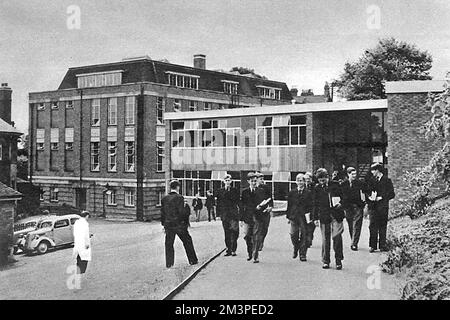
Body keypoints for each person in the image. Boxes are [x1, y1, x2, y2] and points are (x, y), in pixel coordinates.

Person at [312, 168, 345, 270]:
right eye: (320, 180)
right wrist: (315, 218)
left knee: (337, 236)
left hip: (336, 214)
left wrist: (341, 203)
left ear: (327, 177)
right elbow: (314, 204)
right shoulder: (317, 188)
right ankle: (326, 260)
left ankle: (338, 260)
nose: (322, 182)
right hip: (324, 216)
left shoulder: (335, 185)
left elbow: (345, 197)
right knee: (325, 239)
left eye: (324, 179)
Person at [161, 180, 198, 268]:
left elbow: (162, 213)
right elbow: (181, 212)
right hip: (179, 225)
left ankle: (169, 264)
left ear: (171, 187)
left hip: (168, 225)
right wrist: (185, 223)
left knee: (169, 244)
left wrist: (164, 225)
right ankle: (193, 260)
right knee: (187, 241)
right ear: (178, 187)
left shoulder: (164, 198)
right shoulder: (179, 197)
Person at [367, 163, 395, 253]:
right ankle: (372, 246)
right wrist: (370, 197)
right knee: (372, 226)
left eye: (373, 170)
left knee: (382, 226)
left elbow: (392, 194)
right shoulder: (371, 180)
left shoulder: (387, 180)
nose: (372, 172)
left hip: (383, 207)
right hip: (373, 207)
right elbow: (367, 191)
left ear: (377, 170)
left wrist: (382, 197)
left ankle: (382, 245)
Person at [286, 173, 313, 261]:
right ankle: (296, 247)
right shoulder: (292, 192)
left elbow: (311, 205)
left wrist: (311, 216)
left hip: (304, 216)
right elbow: (289, 205)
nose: (300, 182)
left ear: (304, 182)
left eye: (301, 181)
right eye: (298, 181)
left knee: (304, 235)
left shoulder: (308, 193)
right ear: (296, 182)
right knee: (293, 234)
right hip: (294, 216)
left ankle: (302, 254)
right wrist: (288, 217)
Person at [341, 167, 367, 251]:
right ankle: (353, 240)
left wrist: (363, 203)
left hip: (358, 206)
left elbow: (364, 193)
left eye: (355, 174)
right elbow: (341, 195)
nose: (354, 176)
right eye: (352, 174)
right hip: (348, 207)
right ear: (348, 174)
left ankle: (354, 243)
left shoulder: (360, 183)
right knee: (350, 224)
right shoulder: (343, 184)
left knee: (357, 225)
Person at [216, 174, 240, 257]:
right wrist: (218, 214)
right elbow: (218, 203)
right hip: (225, 215)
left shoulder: (235, 190)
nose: (227, 182)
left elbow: (238, 202)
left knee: (235, 231)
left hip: (233, 214)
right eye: (226, 181)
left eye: (229, 180)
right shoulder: (220, 191)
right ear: (223, 181)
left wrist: (240, 214)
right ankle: (228, 249)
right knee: (227, 232)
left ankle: (233, 249)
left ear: (231, 181)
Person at [252, 172, 273, 263]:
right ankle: (256, 249)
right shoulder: (253, 189)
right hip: (256, 213)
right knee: (256, 231)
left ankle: (261, 241)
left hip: (265, 212)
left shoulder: (266, 188)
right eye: (259, 178)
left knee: (264, 229)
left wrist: (270, 206)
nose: (261, 179)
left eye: (262, 178)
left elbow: (270, 198)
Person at [239, 172, 259, 261]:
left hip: (258, 218)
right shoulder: (245, 192)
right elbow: (242, 206)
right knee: (247, 235)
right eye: (252, 181)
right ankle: (250, 253)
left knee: (256, 236)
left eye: (255, 181)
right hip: (247, 218)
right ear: (248, 181)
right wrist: (241, 219)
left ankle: (256, 255)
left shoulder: (260, 191)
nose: (254, 183)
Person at [72, 210, 91, 288]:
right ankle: (78, 277)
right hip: (83, 244)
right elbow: (86, 234)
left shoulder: (77, 222)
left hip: (77, 243)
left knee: (78, 258)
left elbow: (75, 233)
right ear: (86, 216)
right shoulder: (85, 223)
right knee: (83, 260)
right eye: (88, 216)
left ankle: (77, 275)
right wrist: (87, 243)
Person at [304, 172, 316, 248]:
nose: (307, 180)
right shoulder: (302, 186)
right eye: (306, 179)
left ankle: (309, 238)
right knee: (304, 225)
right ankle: (306, 239)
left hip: (312, 209)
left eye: (309, 179)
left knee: (311, 226)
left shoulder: (314, 187)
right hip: (304, 209)